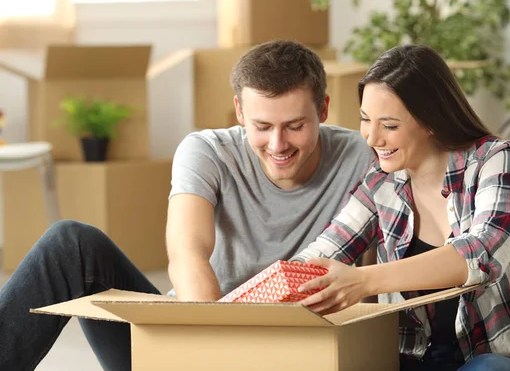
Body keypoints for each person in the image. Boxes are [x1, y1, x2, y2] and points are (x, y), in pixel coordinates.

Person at [0, 40, 375, 371]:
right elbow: (188, 253)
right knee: (71, 242)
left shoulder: (363, 157)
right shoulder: (207, 151)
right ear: (240, 112)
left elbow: (375, 276)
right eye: (262, 126)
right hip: (193, 337)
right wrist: (210, 353)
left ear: (323, 109)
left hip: (299, 350)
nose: (278, 144)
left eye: (295, 126)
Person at [291, 45, 510, 371]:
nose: (371, 138)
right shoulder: (381, 184)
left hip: (504, 363)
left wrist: (364, 280)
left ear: (431, 120)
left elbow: (481, 255)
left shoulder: (497, 160)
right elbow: (322, 252)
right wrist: (248, 302)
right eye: (365, 120)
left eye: (389, 125)